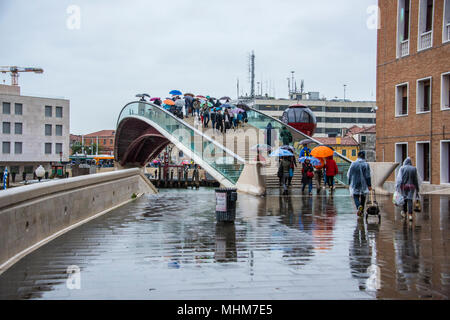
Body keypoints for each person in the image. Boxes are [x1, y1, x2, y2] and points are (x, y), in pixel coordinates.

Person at [347, 151, 372, 217]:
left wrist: (349, 182)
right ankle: (362, 211)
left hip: (355, 182)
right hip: (364, 183)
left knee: (355, 196)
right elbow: (368, 176)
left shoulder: (353, 164)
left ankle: (358, 206)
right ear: (364, 156)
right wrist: (369, 185)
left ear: (357, 156)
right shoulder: (366, 164)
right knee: (363, 197)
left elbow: (349, 174)